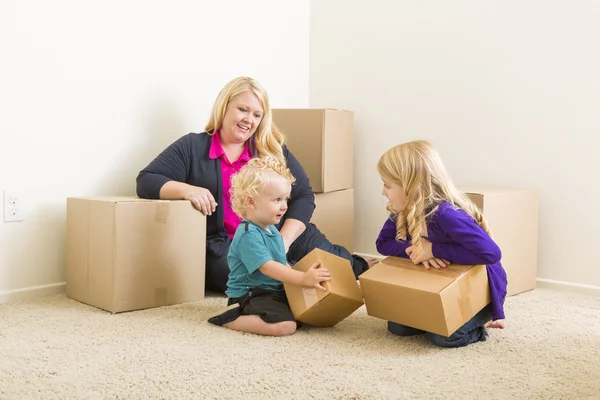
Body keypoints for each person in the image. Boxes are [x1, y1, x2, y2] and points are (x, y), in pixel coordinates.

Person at [136, 76, 369, 293]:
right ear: (224, 107)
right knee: (254, 279)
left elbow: (304, 195)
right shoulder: (193, 147)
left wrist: (283, 241)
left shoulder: (272, 150)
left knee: (342, 267)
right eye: (243, 109)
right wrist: (187, 189)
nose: (249, 120)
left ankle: (353, 265)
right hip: (230, 244)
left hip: (280, 233)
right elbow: (147, 180)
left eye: (257, 114)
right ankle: (293, 276)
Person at [375, 140, 507, 348]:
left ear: (410, 186)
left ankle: (481, 325)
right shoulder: (401, 211)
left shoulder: (446, 215)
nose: (383, 192)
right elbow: (383, 244)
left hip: (480, 289)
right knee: (397, 327)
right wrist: (417, 252)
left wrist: (434, 249)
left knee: (444, 337)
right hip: (438, 285)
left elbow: (491, 253)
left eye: (387, 185)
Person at [207, 157, 331, 336]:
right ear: (251, 202)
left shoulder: (271, 229)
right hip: (250, 294)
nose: (284, 207)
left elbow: (280, 261)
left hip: (273, 290)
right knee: (286, 326)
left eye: (285, 199)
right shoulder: (249, 234)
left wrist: (302, 276)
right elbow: (268, 267)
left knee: (309, 313)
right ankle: (230, 318)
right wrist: (303, 278)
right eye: (277, 200)